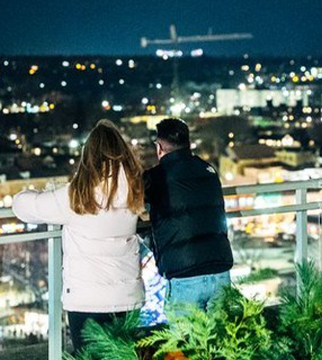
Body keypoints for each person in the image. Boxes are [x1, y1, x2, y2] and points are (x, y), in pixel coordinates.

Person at [12, 120, 145, 354]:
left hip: (88, 303)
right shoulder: (135, 190)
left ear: (88, 156)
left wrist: (44, 191)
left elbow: (22, 207)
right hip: (127, 299)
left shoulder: (77, 196)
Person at [144, 118, 233, 314]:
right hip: (220, 270)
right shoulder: (208, 170)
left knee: (184, 342)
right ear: (188, 143)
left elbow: (131, 203)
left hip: (185, 275)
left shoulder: (156, 177)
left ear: (159, 147)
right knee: (222, 342)